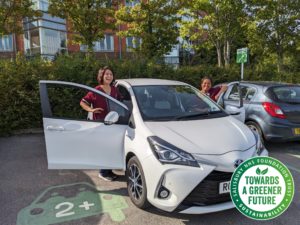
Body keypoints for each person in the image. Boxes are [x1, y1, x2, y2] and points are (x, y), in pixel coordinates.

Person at [80, 66, 120, 181]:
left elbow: (121, 102)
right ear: (101, 76)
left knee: (111, 148)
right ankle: (103, 172)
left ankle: (109, 171)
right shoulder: (96, 90)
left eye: (111, 74)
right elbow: (82, 102)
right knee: (104, 148)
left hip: (114, 123)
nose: (109, 76)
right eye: (106, 74)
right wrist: (91, 110)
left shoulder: (114, 90)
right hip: (101, 124)